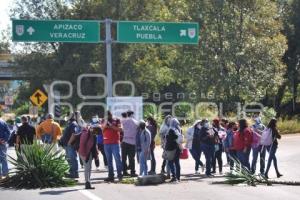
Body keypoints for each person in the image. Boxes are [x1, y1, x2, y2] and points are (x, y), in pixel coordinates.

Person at [101, 111, 123, 182]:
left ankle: (120, 175)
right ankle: (111, 176)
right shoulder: (103, 121)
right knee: (109, 160)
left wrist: (111, 126)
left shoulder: (117, 120)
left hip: (115, 143)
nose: (107, 117)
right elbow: (102, 129)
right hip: (106, 143)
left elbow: (120, 129)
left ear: (111, 115)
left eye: (109, 115)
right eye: (106, 116)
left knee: (117, 159)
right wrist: (105, 125)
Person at [59, 112, 82, 178]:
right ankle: (72, 172)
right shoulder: (70, 123)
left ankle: (74, 173)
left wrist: (69, 143)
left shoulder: (73, 124)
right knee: (69, 159)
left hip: (70, 145)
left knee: (72, 159)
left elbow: (74, 134)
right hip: (67, 145)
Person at [78, 125, 98, 189]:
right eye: (96, 132)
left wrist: (96, 157)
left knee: (89, 167)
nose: (96, 134)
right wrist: (84, 155)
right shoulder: (85, 134)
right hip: (83, 153)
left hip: (89, 153)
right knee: (87, 168)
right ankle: (87, 183)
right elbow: (82, 144)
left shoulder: (94, 135)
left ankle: (88, 182)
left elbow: (94, 146)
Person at [121, 111, 139, 177]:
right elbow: (140, 126)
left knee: (124, 158)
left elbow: (120, 129)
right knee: (131, 158)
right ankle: (132, 172)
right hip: (132, 143)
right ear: (131, 114)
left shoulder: (123, 121)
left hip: (124, 141)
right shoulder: (135, 121)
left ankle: (124, 172)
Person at [165, 118, 183, 182]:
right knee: (177, 163)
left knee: (170, 162)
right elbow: (180, 139)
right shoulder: (179, 129)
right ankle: (178, 177)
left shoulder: (170, 130)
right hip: (177, 148)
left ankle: (174, 176)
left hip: (171, 149)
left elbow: (169, 140)